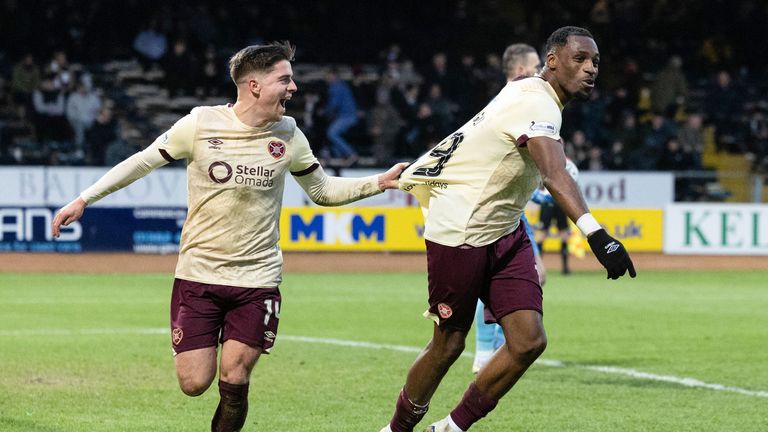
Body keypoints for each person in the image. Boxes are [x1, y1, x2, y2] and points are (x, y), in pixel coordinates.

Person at [52, 41, 406, 432]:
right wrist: (85, 198)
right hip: (198, 274)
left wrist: (379, 182)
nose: (294, 88)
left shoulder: (288, 134)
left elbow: (322, 192)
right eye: (284, 79)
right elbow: (142, 161)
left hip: (257, 279)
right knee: (194, 382)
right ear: (254, 85)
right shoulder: (200, 124)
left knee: (234, 378)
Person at [380, 27, 635, 432]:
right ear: (551, 61)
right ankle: (396, 429)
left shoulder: (535, 97)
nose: (590, 69)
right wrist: (598, 235)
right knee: (448, 343)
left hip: (505, 230)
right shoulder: (536, 101)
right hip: (461, 230)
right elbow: (554, 174)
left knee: (529, 340)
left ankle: (449, 428)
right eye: (580, 59)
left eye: (595, 63)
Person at [472, 42, 545, 374]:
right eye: (537, 65)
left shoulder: (500, 104)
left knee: (493, 279)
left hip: (501, 205)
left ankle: (491, 348)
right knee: (529, 276)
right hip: (501, 209)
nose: (542, 70)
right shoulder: (517, 102)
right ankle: (491, 348)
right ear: (520, 71)